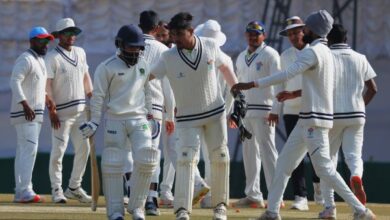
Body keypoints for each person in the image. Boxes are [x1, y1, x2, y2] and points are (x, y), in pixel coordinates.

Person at [231, 10, 376, 220]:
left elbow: (287, 74)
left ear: (314, 29)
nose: (303, 31)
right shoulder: (325, 51)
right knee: (283, 165)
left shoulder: (313, 52)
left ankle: (361, 210)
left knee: (325, 169)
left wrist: (251, 84)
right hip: (308, 119)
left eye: (306, 27)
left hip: (314, 121)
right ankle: (272, 212)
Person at [149, 12, 239, 220]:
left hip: (215, 114)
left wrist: (237, 92)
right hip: (188, 119)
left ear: (190, 32)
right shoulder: (168, 57)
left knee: (220, 157)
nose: (175, 39)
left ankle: (220, 207)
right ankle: (182, 209)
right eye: (173, 35)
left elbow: (226, 66)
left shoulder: (209, 45)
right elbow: (149, 76)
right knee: (186, 159)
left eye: (179, 34)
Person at [80, 24, 157, 220]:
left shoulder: (143, 64)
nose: (135, 51)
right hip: (115, 119)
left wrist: (151, 115)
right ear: (120, 45)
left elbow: (147, 91)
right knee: (113, 162)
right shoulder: (106, 67)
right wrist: (94, 122)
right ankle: (115, 211)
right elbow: (98, 97)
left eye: (138, 47)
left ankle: (137, 207)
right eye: (131, 46)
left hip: (139, 119)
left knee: (147, 159)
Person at [316, 24, 377, 219]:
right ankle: (355, 176)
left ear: (329, 39)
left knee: (327, 162)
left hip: (332, 116)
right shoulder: (360, 58)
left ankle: (329, 208)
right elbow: (373, 88)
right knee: (354, 156)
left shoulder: (326, 56)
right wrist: (360, 106)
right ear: (346, 38)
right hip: (357, 114)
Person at [275, 16, 322, 210]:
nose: (294, 36)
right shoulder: (285, 55)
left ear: (304, 31)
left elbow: (320, 84)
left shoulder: (315, 52)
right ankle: (300, 196)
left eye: (297, 32)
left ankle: (319, 191)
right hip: (291, 112)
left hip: (313, 109)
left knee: (316, 153)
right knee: (294, 155)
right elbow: (280, 83)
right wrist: (275, 110)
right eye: (290, 34)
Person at [232, 20, 280, 209]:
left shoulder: (270, 54)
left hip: (264, 110)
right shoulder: (241, 56)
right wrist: (236, 112)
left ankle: (276, 195)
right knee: (249, 154)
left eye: (256, 33)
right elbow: (238, 86)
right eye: (250, 33)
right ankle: (253, 195)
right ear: (246, 35)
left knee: (268, 152)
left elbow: (279, 82)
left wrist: (275, 110)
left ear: (264, 35)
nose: (253, 36)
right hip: (246, 112)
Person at [45, 18, 93, 203]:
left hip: (81, 112)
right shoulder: (52, 57)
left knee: (84, 149)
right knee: (58, 152)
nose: (71, 36)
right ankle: (57, 189)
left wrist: (92, 94)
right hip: (62, 114)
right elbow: (47, 85)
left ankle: (74, 186)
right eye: (67, 32)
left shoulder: (81, 52)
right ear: (58, 36)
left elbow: (86, 76)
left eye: (73, 32)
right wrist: (52, 109)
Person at [193, 19, 235, 208]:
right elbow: (232, 90)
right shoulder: (226, 58)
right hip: (217, 111)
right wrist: (226, 112)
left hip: (195, 110)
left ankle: (199, 185)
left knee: (189, 151)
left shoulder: (196, 56)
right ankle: (215, 197)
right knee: (216, 155)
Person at [10, 26, 54, 203]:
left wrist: (46, 97)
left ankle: (20, 191)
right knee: (28, 151)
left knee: (24, 151)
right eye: (41, 40)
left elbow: (35, 84)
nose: (45, 44)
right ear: (32, 41)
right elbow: (15, 81)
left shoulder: (40, 60)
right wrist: (25, 103)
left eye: (47, 41)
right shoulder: (26, 58)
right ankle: (25, 190)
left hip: (34, 114)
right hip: (26, 114)